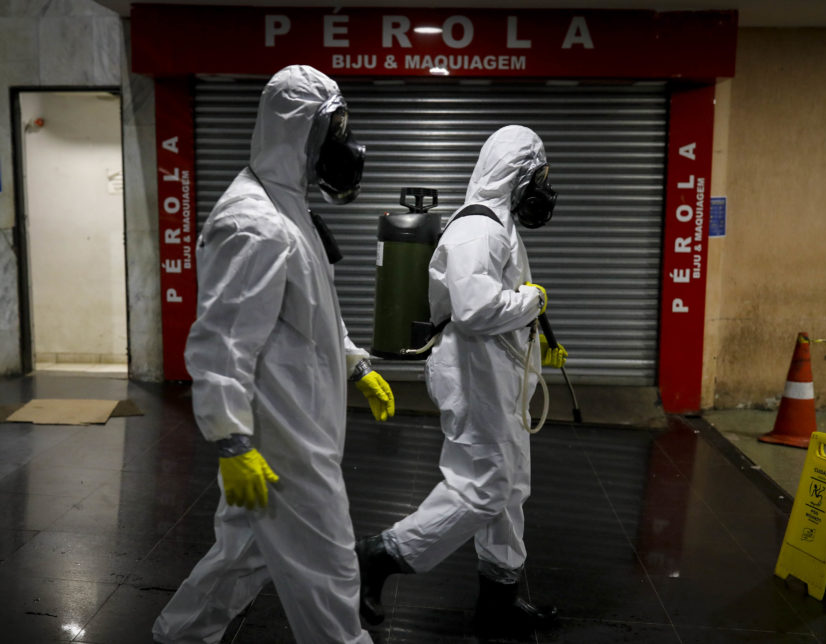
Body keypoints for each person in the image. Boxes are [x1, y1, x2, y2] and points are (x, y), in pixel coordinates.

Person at [152, 65, 395, 644]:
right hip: (283, 439)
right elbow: (221, 343)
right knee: (331, 572)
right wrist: (231, 441)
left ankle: (178, 637)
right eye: (333, 129)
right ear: (299, 130)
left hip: (296, 419)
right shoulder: (254, 223)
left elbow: (309, 315)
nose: (344, 145)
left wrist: (356, 362)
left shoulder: (287, 209)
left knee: (244, 554)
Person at [355, 125, 566, 639]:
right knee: (482, 487)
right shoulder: (479, 230)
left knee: (509, 487)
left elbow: (500, 298)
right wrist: (534, 302)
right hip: (476, 376)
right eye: (538, 176)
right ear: (516, 175)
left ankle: (499, 600)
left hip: (497, 374)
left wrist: (538, 328)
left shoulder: (500, 223)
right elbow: (475, 310)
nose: (544, 188)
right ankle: (379, 556)